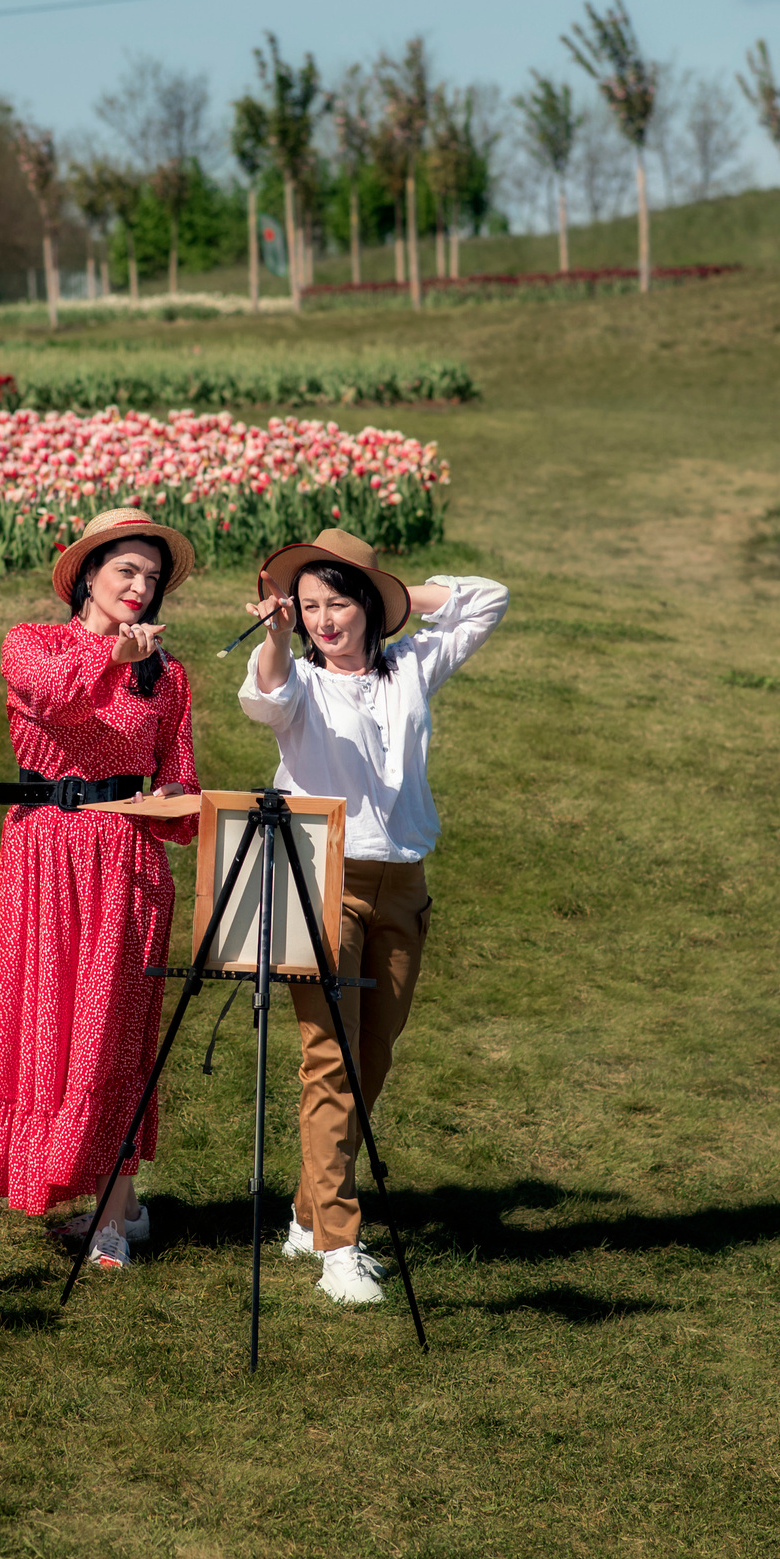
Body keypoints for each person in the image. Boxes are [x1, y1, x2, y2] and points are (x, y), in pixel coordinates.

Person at [238, 528, 506, 1304]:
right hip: (317, 873)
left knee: (373, 1058)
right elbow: (264, 697)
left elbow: (487, 599)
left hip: (404, 884)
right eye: (310, 606)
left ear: (368, 607)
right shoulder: (300, 680)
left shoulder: (412, 664)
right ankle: (339, 1246)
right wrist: (277, 634)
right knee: (331, 1059)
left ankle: (307, 1212)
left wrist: (388, 591)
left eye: (339, 603)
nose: (323, 620)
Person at [0, 507, 202, 1270]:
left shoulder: (168, 677)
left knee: (111, 1033)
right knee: (47, 1023)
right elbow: (54, 699)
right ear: (88, 575)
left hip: (126, 861)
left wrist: (173, 802)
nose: (140, 587)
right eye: (126, 571)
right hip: (43, 857)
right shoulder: (31, 643)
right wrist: (109, 654)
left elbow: (181, 778)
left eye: (152, 578)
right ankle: (115, 1205)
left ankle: (112, 1217)